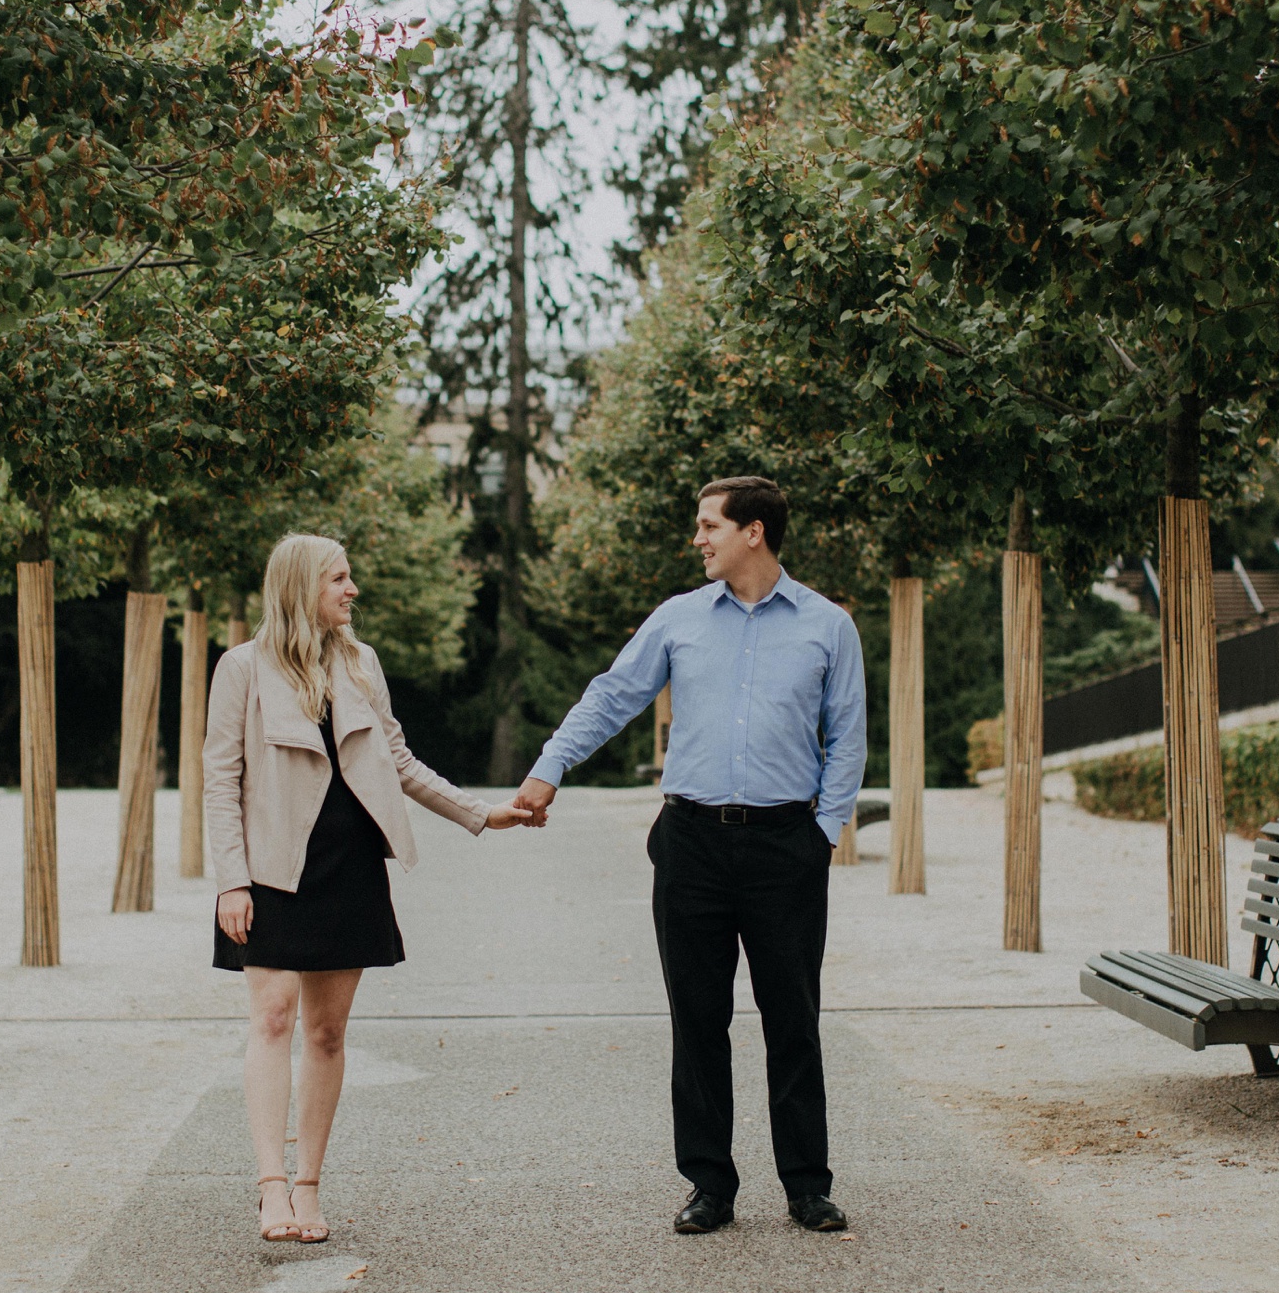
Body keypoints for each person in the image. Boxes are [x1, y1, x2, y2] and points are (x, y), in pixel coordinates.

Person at [512, 476, 865, 1237]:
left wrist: (822, 833)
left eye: (709, 525)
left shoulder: (827, 626)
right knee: (697, 1019)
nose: (698, 538)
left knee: (792, 1019)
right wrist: (549, 769)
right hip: (691, 844)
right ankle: (709, 1183)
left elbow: (848, 737)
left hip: (784, 846)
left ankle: (807, 1183)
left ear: (755, 532)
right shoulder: (678, 619)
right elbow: (611, 695)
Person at [205, 533, 537, 1244]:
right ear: (301, 586)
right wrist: (231, 879)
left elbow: (398, 759)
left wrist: (482, 813)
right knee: (271, 1015)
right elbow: (219, 778)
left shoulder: (360, 663)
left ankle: (308, 1187)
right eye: (339, 578)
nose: (352, 590)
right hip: (269, 869)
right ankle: (269, 1188)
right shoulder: (240, 668)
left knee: (325, 1031)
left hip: (349, 864)